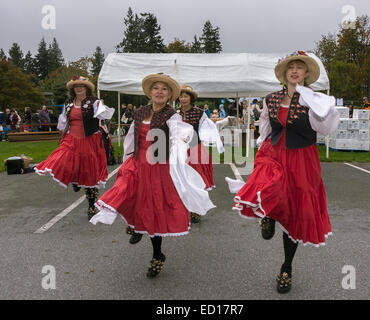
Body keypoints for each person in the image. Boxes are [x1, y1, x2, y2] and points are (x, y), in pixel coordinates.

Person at [225, 51, 340, 294]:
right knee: (269, 185)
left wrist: (325, 111)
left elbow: (325, 128)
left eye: (300, 67)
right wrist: (261, 144)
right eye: (291, 67)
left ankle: (286, 267)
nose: (295, 70)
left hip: (302, 157)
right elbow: (266, 125)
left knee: (295, 209)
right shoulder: (271, 98)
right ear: (285, 73)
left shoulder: (314, 99)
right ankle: (268, 215)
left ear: (307, 73)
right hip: (274, 150)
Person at [90, 74, 215, 278]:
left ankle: (157, 254)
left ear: (169, 95)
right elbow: (132, 136)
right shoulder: (140, 113)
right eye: (155, 88)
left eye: (163, 89)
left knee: (153, 209)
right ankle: (135, 226)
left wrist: (178, 159)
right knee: (124, 193)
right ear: (149, 92)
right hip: (138, 164)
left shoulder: (172, 115)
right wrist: (128, 158)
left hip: (158, 168)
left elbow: (179, 138)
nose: (159, 91)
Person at [35, 76, 115, 219]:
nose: (78, 88)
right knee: (61, 160)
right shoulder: (69, 103)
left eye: (81, 86)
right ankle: (75, 180)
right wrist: (62, 134)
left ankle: (91, 206)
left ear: (87, 88)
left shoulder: (94, 102)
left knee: (89, 173)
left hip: (89, 140)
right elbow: (63, 121)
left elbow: (105, 116)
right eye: (76, 86)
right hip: (71, 138)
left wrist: (101, 107)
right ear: (72, 89)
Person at [177, 85, 224, 223]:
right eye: (181, 96)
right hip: (179, 150)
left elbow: (209, 128)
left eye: (186, 96)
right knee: (181, 179)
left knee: (197, 179)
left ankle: (196, 210)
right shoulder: (175, 113)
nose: (183, 98)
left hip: (195, 148)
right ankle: (184, 208)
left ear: (191, 98)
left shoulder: (199, 113)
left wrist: (215, 142)